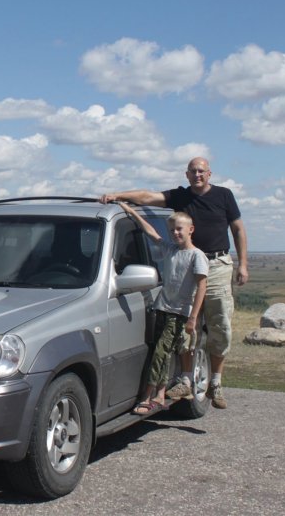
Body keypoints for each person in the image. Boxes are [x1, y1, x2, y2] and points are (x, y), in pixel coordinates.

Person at [100, 157, 248, 409]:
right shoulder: (180, 197)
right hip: (187, 265)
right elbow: (147, 197)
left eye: (201, 171)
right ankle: (186, 379)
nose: (197, 175)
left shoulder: (224, 195)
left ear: (209, 173)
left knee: (219, 324)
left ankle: (216, 382)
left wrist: (243, 264)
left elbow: (238, 229)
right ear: (187, 174)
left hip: (217, 264)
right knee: (188, 326)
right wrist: (117, 195)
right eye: (193, 171)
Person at [120, 204, 208, 415]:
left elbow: (202, 287)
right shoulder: (170, 250)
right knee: (164, 353)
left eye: (179, 229)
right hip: (161, 308)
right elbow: (151, 232)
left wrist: (192, 318)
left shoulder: (197, 256)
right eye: (172, 230)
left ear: (190, 230)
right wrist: (131, 212)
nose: (175, 233)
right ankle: (160, 394)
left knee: (160, 352)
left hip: (179, 313)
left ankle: (147, 397)